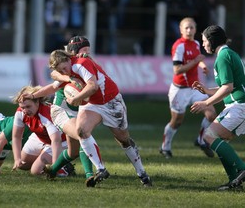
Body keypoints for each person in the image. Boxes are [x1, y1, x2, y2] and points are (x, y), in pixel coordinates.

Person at [47, 48, 152, 187]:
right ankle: (100, 169)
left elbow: (93, 86)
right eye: (61, 71)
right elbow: (54, 74)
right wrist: (66, 76)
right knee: (81, 131)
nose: (63, 72)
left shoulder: (81, 63)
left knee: (124, 140)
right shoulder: (66, 68)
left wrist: (76, 98)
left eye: (64, 69)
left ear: (68, 59)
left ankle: (142, 173)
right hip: (92, 104)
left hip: (111, 102)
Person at [21, 36, 97, 187]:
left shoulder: (85, 65)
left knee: (73, 151)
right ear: (73, 52)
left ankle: (57, 169)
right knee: (82, 137)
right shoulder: (66, 68)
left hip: (78, 112)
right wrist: (68, 79)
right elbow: (54, 76)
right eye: (83, 51)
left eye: (88, 51)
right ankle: (87, 173)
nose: (86, 53)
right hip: (62, 111)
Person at [191, 25, 245, 191]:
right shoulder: (228, 54)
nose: (203, 45)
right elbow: (229, 87)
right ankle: (233, 182)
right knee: (216, 139)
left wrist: (206, 103)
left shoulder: (223, 56)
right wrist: (207, 91)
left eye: (205, 41)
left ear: (212, 41)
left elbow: (227, 88)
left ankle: (241, 169)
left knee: (209, 136)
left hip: (239, 106)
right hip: (238, 104)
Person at [159, 17, 217, 159]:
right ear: (181, 30)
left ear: (196, 29)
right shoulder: (179, 46)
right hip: (179, 90)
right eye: (186, 28)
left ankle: (201, 140)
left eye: (192, 27)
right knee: (177, 121)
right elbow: (177, 70)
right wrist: (196, 61)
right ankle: (165, 147)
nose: (189, 30)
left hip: (194, 88)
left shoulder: (196, 43)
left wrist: (202, 66)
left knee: (211, 114)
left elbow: (198, 59)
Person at [11, 85, 72, 176]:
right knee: (22, 164)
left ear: (37, 102)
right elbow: (16, 136)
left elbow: (56, 140)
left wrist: (55, 167)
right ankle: (45, 158)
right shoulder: (20, 112)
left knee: (36, 171)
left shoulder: (47, 113)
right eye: (22, 107)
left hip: (60, 141)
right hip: (40, 137)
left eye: (28, 106)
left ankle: (64, 168)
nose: (25, 110)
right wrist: (17, 159)